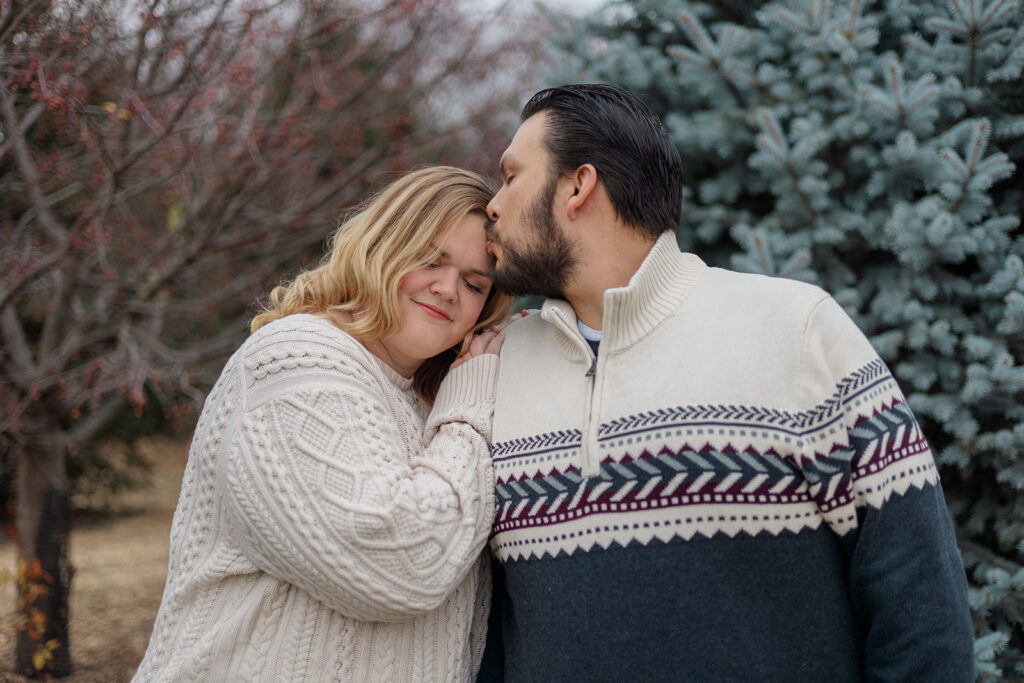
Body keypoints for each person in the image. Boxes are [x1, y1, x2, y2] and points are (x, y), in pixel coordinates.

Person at [478, 84, 974, 681]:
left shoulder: (796, 332)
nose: (493, 206)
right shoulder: (495, 366)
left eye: (511, 177)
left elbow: (923, 618)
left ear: (578, 186)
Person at [133, 166, 515, 682]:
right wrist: (468, 416)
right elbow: (402, 567)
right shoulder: (294, 361)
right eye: (429, 260)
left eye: (474, 284)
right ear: (382, 246)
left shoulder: (428, 405)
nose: (448, 289)